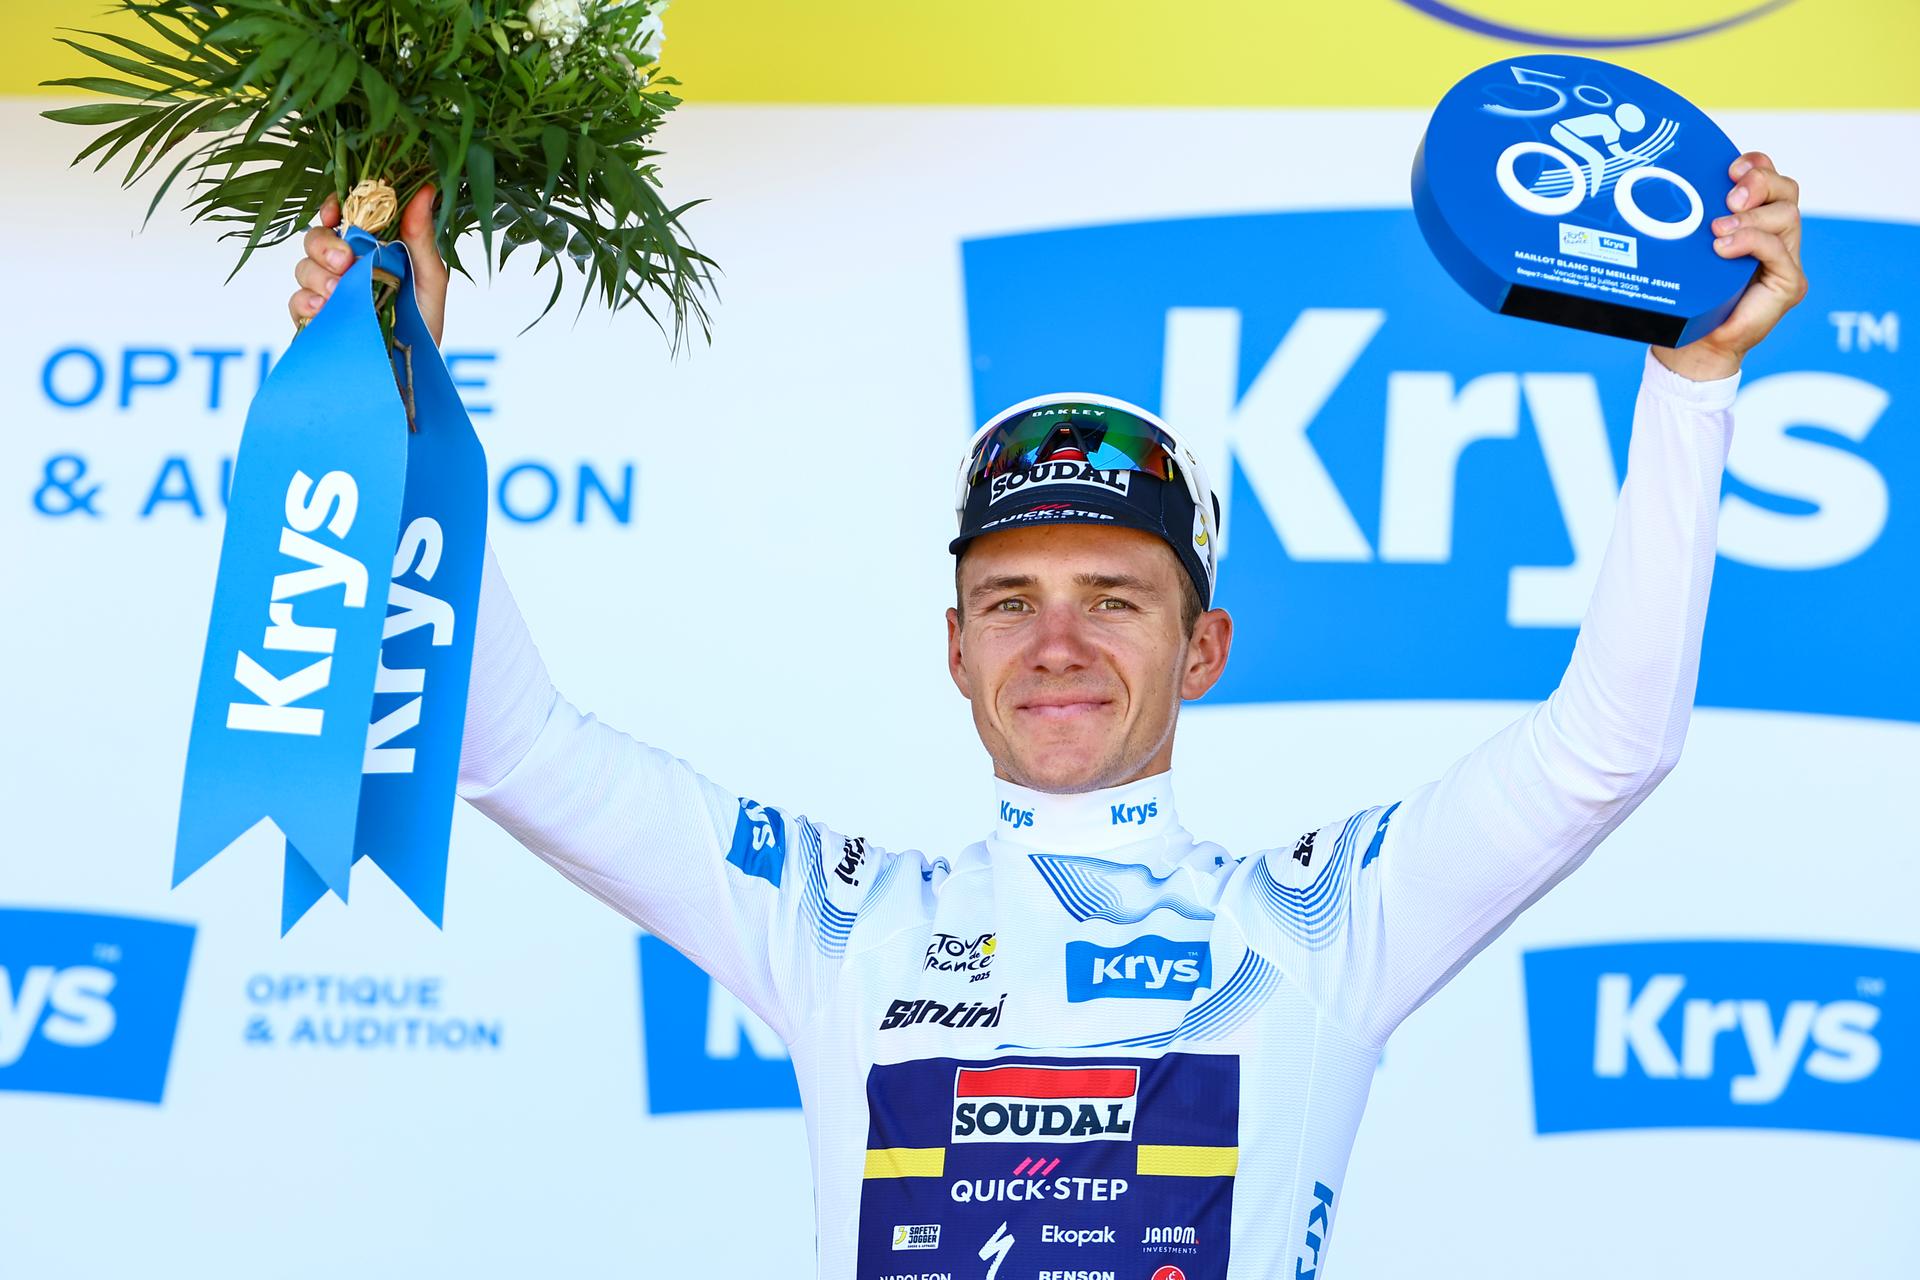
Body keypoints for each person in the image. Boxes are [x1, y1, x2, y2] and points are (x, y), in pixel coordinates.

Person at [291, 152, 1806, 1280]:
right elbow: (506, 746)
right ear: (956, 652)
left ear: (1204, 648)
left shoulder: (1321, 924)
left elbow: (1610, 746)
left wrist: (1692, 385)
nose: (1059, 644)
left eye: (1115, 598)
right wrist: (406, 406)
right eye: (1011, 601)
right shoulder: (842, 925)